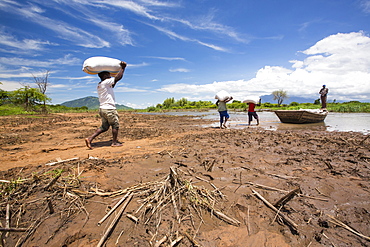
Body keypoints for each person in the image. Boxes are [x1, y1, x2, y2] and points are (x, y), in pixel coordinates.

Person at [85, 61, 127, 149]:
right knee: (115, 125)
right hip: (109, 109)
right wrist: (123, 68)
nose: (110, 76)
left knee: (104, 127)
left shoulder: (100, 85)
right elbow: (118, 78)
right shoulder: (106, 82)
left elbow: (114, 83)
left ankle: (90, 139)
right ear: (104, 76)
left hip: (102, 109)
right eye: (108, 75)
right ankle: (114, 142)